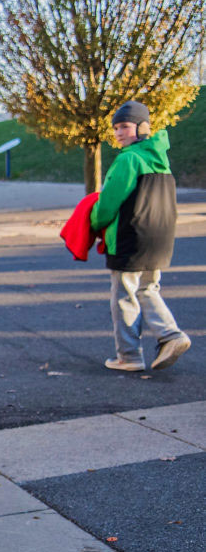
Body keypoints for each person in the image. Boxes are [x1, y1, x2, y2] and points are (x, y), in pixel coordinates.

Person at [91, 100, 191, 372]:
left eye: (124, 126)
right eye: (116, 128)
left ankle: (129, 356)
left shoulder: (128, 159)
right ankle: (171, 335)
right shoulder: (161, 160)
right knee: (147, 289)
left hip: (129, 238)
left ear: (142, 127)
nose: (119, 133)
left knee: (123, 296)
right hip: (158, 240)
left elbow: (108, 204)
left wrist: (93, 221)